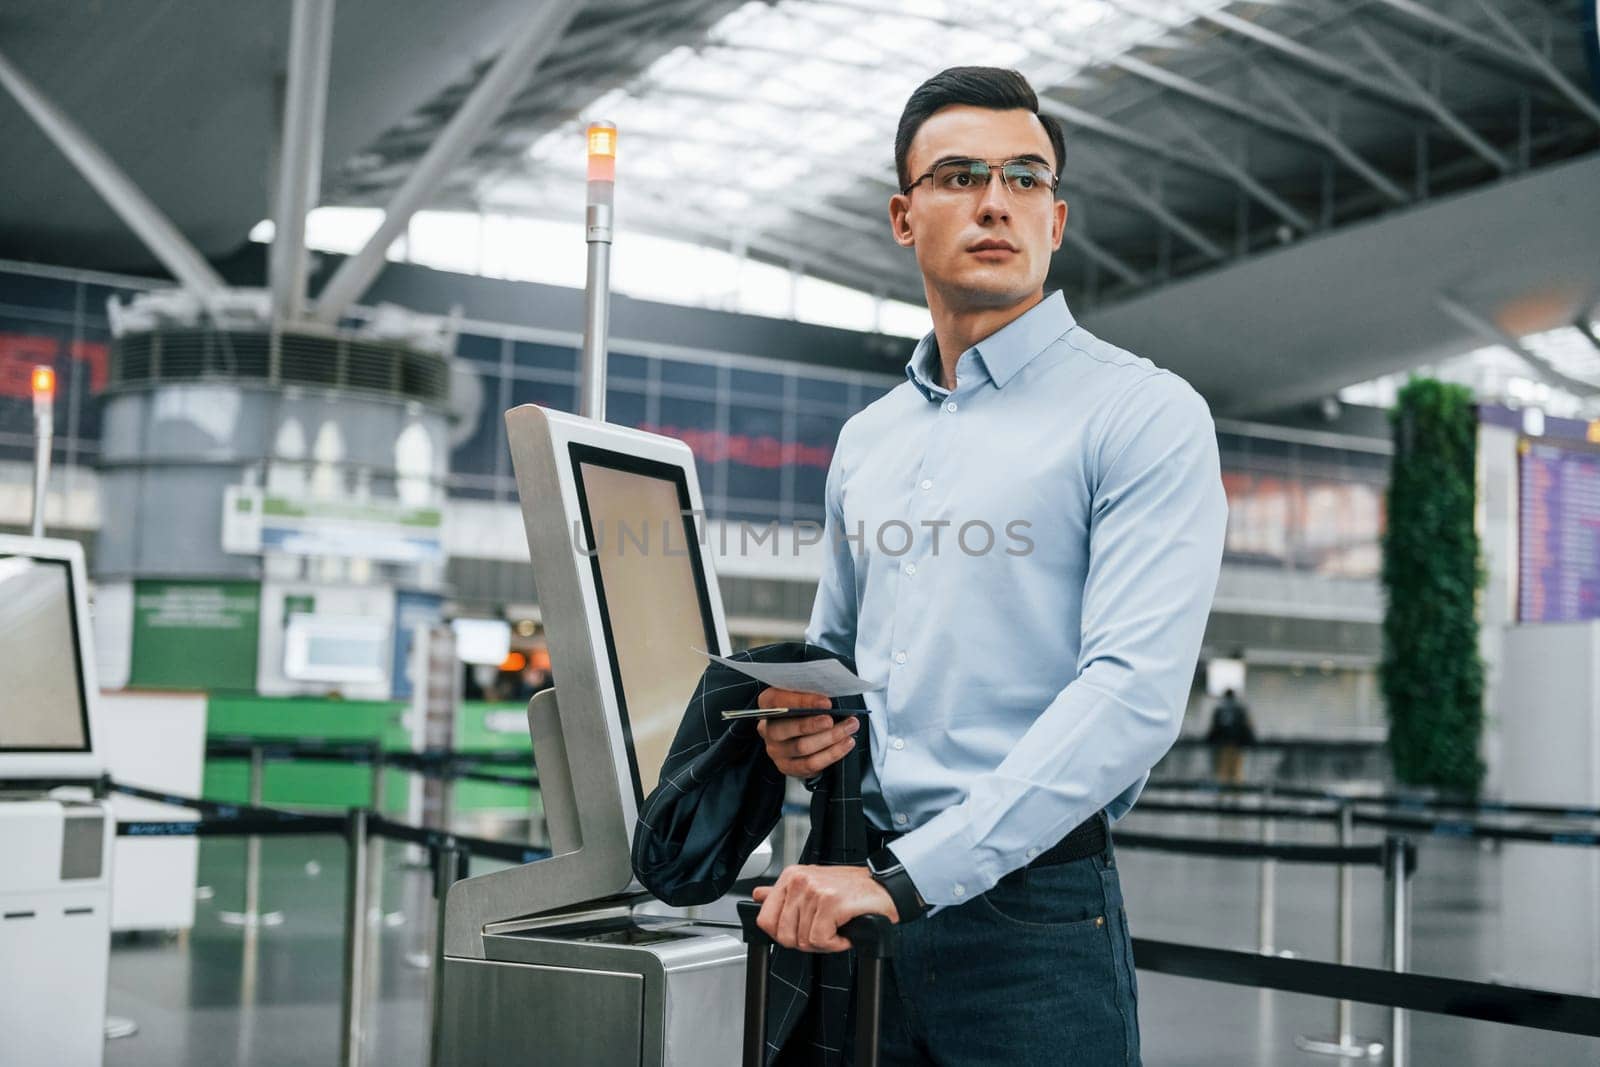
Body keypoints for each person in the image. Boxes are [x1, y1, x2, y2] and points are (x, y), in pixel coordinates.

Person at [748, 67, 1228, 1065]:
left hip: (1030, 921)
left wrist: (916, 874)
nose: (995, 200)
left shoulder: (1141, 414)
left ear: (1056, 218)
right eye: (960, 175)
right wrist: (798, 728)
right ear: (902, 213)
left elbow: (1133, 694)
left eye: (1023, 176)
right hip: (853, 885)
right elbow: (837, 661)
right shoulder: (867, 440)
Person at [1204, 688, 1255, 785]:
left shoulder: (1220, 709)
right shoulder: (1240, 709)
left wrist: (1209, 740)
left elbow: (1213, 728)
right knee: (1236, 771)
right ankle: (1236, 794)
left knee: (1223, 771)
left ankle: (1223, 795)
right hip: (1237, 745)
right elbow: (1247, 726)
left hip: (1222, 745)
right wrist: (1250, 741)